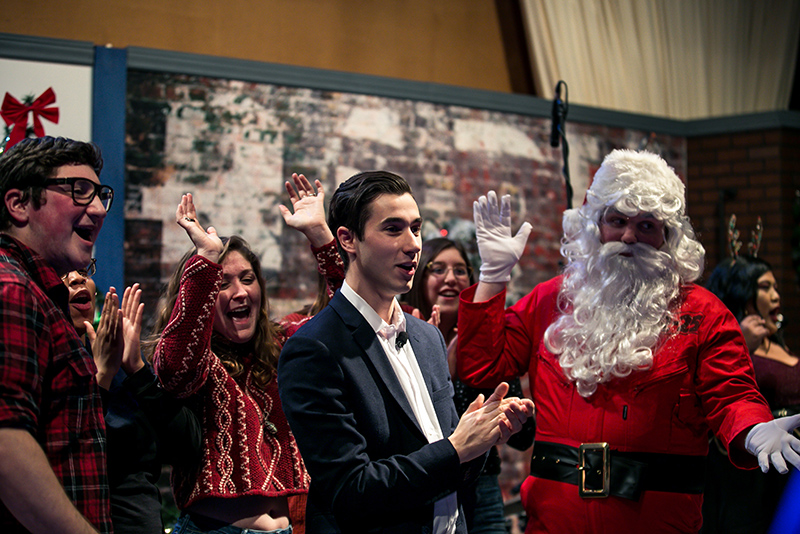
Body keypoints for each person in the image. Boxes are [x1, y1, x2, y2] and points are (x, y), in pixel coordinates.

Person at [456, 149, 800, 533]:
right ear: (595, 226)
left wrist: (754, 429)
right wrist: (492, 277)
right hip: (552, 523)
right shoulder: (549, 301)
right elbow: (482, 366)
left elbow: (732, 395)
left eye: (647, 225)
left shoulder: (704, 314)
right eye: (616, 220)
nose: (629, 236)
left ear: (669, 238)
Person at [278, 170, 535, 534]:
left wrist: (482, 434)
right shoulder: (313, 348)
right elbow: (352, 491)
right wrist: (457, 448)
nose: (413, 243)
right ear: (348, 240)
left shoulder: (427, 338)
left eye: (415, 227)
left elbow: (448, 463)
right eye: (393, 228)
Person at [149, 173, 344, 534]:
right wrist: (205, 260)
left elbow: (346, 318)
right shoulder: (200, 360)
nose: (239, 292)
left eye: (248, 279)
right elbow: (174, 370)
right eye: (222, 282)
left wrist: (321, 236)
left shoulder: (286, 344)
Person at [0, 136, 114, 533]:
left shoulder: (40, 295)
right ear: (18, 204)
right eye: (80, 191)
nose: (98, 209)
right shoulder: (11, 289)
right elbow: (5, 443)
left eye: (101, 195)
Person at [401, 237, 535, 533]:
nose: (451, 278)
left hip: (482, 486)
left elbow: (523, 439)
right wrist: (435, 367)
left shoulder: (485, 343)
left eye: (460, 270)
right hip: (424, 483)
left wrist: (515, 416)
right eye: (438, 269)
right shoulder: (400, 332)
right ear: (420, 275)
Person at [63, 265, 203, 534]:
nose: (78, 278)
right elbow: (69, 453)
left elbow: (189, 449)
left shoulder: (122, 364)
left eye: (83, 269)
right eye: (63, 272)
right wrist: (101, 374)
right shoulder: (48, 366)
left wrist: (136, 367)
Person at [702, 254, 800, 534]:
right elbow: (724, 396)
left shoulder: (775, 341)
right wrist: (742, 343)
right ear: (742, 292)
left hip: (791, 472)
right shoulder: (728, 342)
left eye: (775, 287)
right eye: (765, 287)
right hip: (753, 478)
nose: (776, 296)